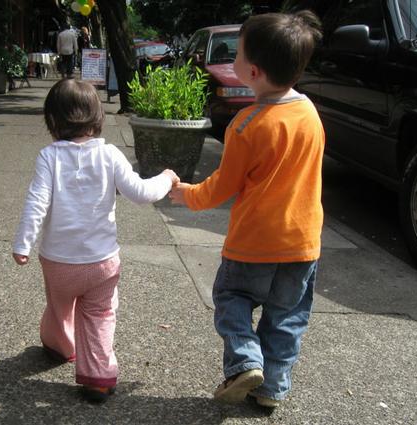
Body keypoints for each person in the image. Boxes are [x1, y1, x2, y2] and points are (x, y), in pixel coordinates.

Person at [170, 11, 323, 409]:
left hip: (252, 244)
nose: (233, 60)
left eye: (236, 54)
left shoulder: (245, 125)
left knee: (232, 297)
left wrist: (188, 194)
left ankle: (245, 361)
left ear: (252, 71)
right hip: (302, 245)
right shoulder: (310, 114)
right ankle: (270, 389)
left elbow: (223, 186)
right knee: (286, 319)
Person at [12, 79, 179, 403]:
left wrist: (23, 243)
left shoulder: (49, 157)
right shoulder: (109, 154)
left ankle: (61, 346)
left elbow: (37, 201)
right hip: (102, 262)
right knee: (100, 316)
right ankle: (99, 379)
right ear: (97, 118)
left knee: (60, 308)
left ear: (53, 121)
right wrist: (166, 178)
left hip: (59, 263)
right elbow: (141, 193)